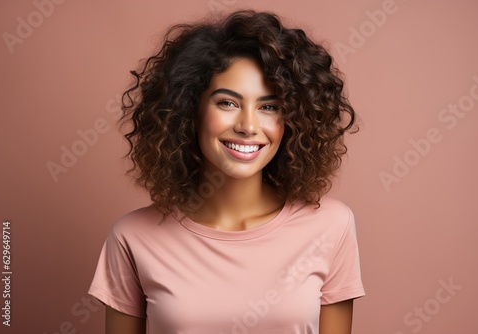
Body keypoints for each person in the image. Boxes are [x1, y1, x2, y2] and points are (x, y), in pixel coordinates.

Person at [88, 9, 365, 334]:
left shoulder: (331, 226)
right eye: (227, 103)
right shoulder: (133, 238)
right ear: (189, 110)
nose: (248, 126)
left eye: (269, 107)